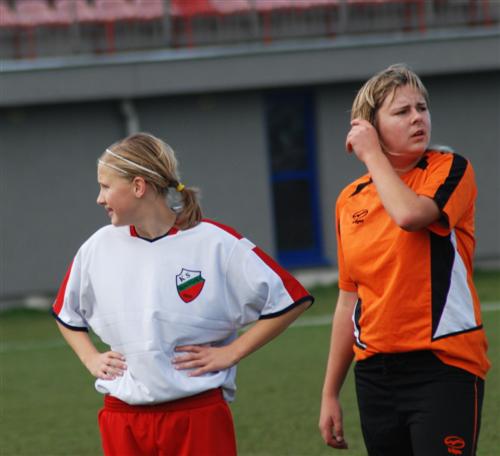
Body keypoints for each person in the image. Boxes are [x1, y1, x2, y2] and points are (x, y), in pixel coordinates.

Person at [52, 132, 313, 456]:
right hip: (123, 416)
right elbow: (66, 313)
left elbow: (289, 299)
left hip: (197, 414)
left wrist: (231, 352)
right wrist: (90, 357)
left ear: (138, 186)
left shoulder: (215, 242)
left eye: (105, 186)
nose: (99, 198)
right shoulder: (98, 246)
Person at [319, 64, 490, 455]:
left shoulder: (450, 168)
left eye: (422, 108)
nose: (417, 118)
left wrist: (372, 155)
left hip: (444, 366)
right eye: (402, 111)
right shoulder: (350, 200)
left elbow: (410, 215)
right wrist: (330, 393)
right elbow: (348, 299)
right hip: (375, 375)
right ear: (370, 126)